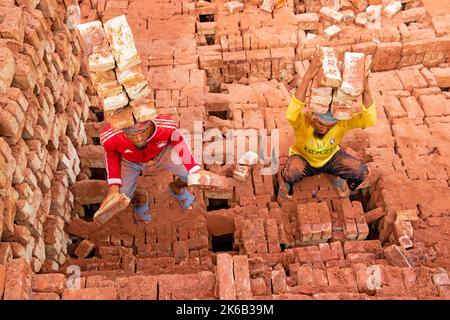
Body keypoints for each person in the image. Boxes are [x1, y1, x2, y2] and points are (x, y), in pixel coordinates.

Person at [281, 51, 376, 199]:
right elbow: (292, 111)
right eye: (320, 123)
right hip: (303, 158)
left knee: (361, 172)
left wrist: (365, 87)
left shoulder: (342, 122)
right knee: (290, 175)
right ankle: (290, 189)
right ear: (312, 115)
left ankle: (347, 185)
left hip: (331, 159)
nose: (324, 128)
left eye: (329, 126)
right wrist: (308, 77)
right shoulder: (303, 121)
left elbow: (369, 119)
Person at [99, 115, 212, 223]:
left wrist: (195, 169)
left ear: (150, 124)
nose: (139, 139)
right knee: (122, 195)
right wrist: (113, 188)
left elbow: (179, 140)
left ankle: (176, 187)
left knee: (190, 176)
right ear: (122, 131)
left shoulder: (165, 127)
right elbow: (111, 154)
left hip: (162, 153)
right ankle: (139, 197)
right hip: (130, 160)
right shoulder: (111, 135)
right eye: (131, 135)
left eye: (143, 132)